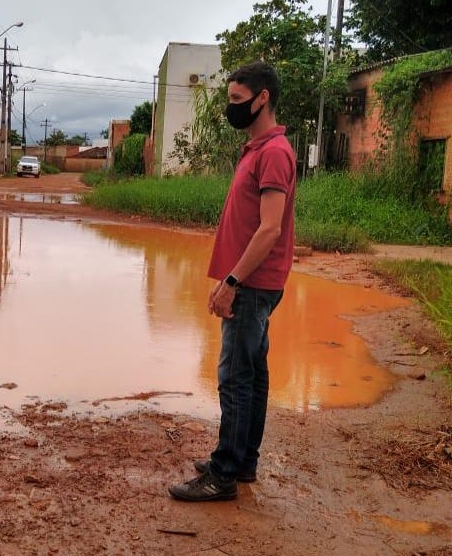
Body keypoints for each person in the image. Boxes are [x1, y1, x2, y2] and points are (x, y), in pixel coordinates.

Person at [168, 61, 296, 502]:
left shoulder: (275, 153)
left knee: (235, 376)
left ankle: (223, 474)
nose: (231, 108)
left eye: (238, 101)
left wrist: (231, 281)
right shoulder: (258, 150)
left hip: (253, 282)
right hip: (255, 281)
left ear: (262, 99)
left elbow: (270, 229)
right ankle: (243, 461)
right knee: (253, 373)